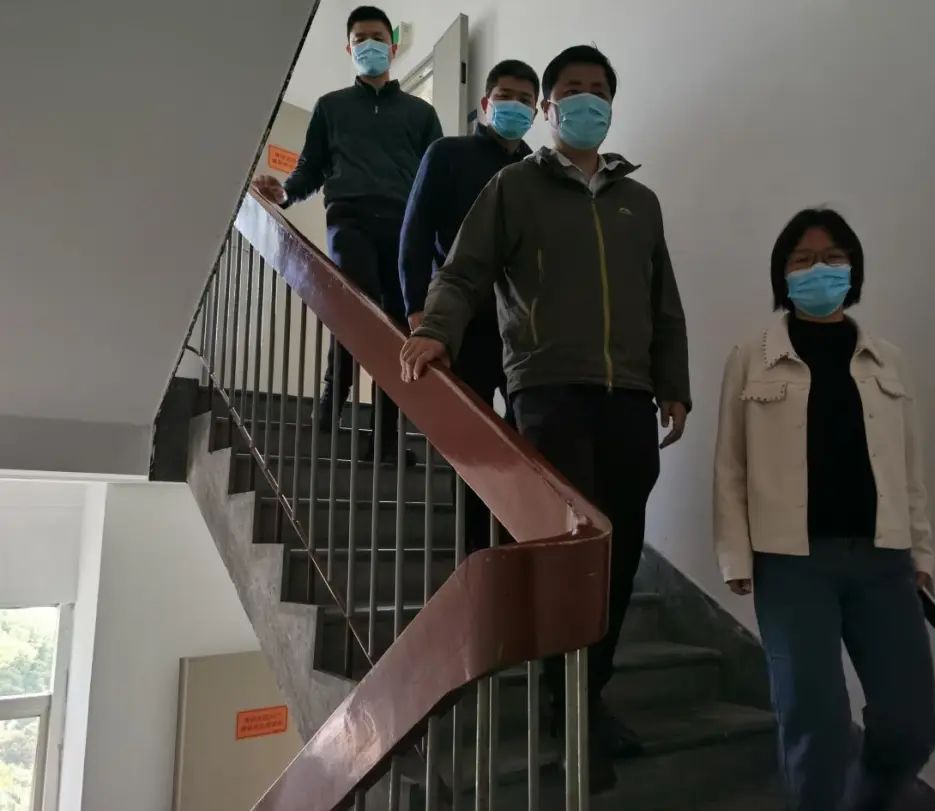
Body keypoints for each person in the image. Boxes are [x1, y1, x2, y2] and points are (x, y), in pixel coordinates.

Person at [399, 45, 691, 791]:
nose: (586, 100)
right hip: (548, 392)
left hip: (629, 397)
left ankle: (590, 694)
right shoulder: (513, 186)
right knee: (570, 555)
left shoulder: (640, 202)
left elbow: (663, 301)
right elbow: (464, 268)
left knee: (620, 554)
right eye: (571, 90)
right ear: (550, 108)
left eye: (598, 90)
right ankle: (568, 708)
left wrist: (673, 384)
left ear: (611, 104)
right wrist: (435, 329)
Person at [713, 208, 935, 811]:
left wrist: (921, 555)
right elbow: (731, 466)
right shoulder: (752, 356)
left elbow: (909, 469)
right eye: (803, 259)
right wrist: (735, 554)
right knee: (815, 722)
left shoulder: (888, 360)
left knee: (912, 722)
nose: (819, 269)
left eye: (833, 258)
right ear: (782, 274)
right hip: (792, 564)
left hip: (884, 560)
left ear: (854, 269)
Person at [252, 5, 441, 460]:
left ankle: (385, 440)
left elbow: (434, 178)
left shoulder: (420, 113)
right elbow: (310, 168)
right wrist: (285, 194)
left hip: (404, 226)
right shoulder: (331, 107)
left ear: (392, 46)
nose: (369, 45)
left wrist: (436, 240)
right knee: (359, 310)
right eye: (360, 39)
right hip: (349, 218)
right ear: (349, 47)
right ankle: (329, 406)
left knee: (396, 326)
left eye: (377, 37)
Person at [398, 58, 540, 553]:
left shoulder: (535, 171)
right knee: (475, 443)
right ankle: (474, 552)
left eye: (525, 100)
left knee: (527, 440)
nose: (515, 107)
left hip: (521, 328)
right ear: (484, 103)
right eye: (506, 96)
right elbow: (415, 233)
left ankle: (517, 543)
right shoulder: (447, 154)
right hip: (463, 323)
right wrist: (418, 309)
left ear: (538, 111)